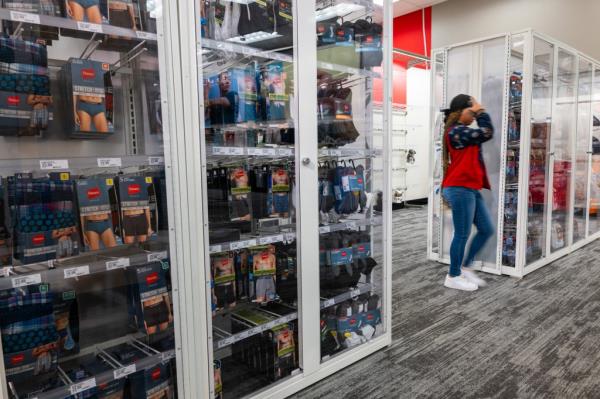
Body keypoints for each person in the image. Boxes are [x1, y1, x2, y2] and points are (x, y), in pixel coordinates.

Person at [441, 94, 495, 291]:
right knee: (462, 234)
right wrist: (481, 111)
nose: (473, 116)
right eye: (471, 112)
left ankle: (464, 267)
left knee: (487, 229)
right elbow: (487, 132)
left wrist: (477, 111)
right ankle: (453, 275)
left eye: (474, 113)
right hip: (459, 188)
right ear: (460, 112)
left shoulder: (463, 132)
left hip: (470, 188)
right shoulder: (455, 133)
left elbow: (483, 134)